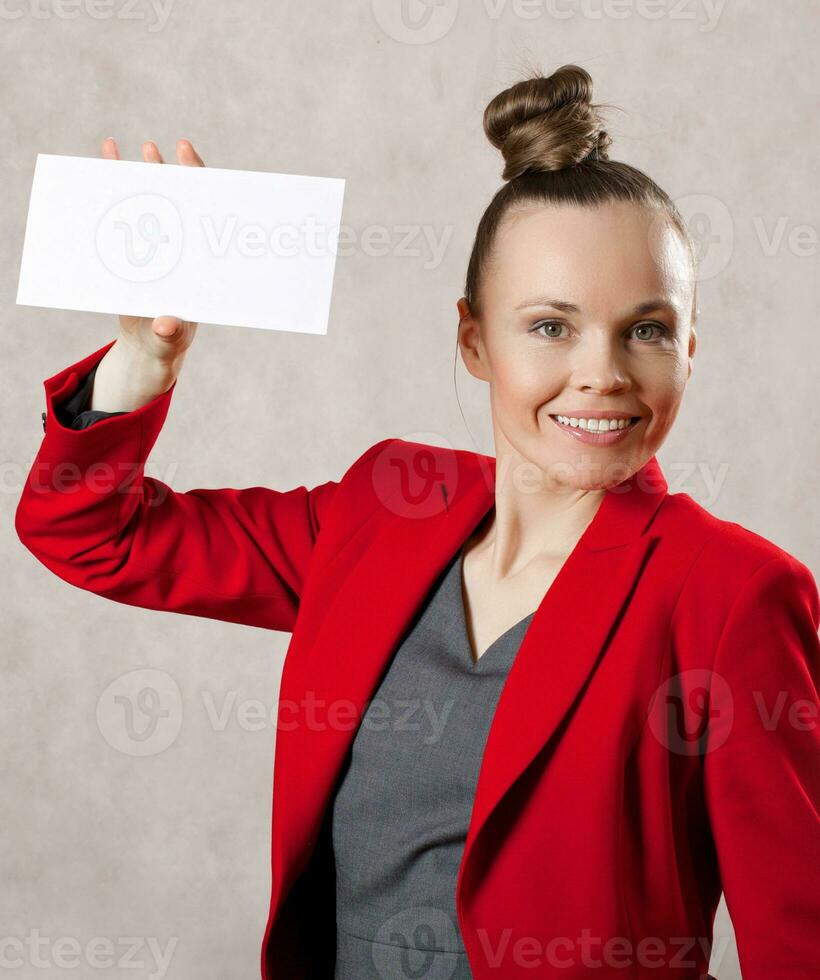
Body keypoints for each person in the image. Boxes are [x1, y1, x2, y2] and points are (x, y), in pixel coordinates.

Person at [15, 65, 819, 980]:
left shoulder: (732, 592)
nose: (603, 373)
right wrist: (140, 361)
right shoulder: (384, 509)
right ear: (474, 339)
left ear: (690, 349)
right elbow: (93, 533)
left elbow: (800, 940)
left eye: (647, 329)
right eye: (551, 326)